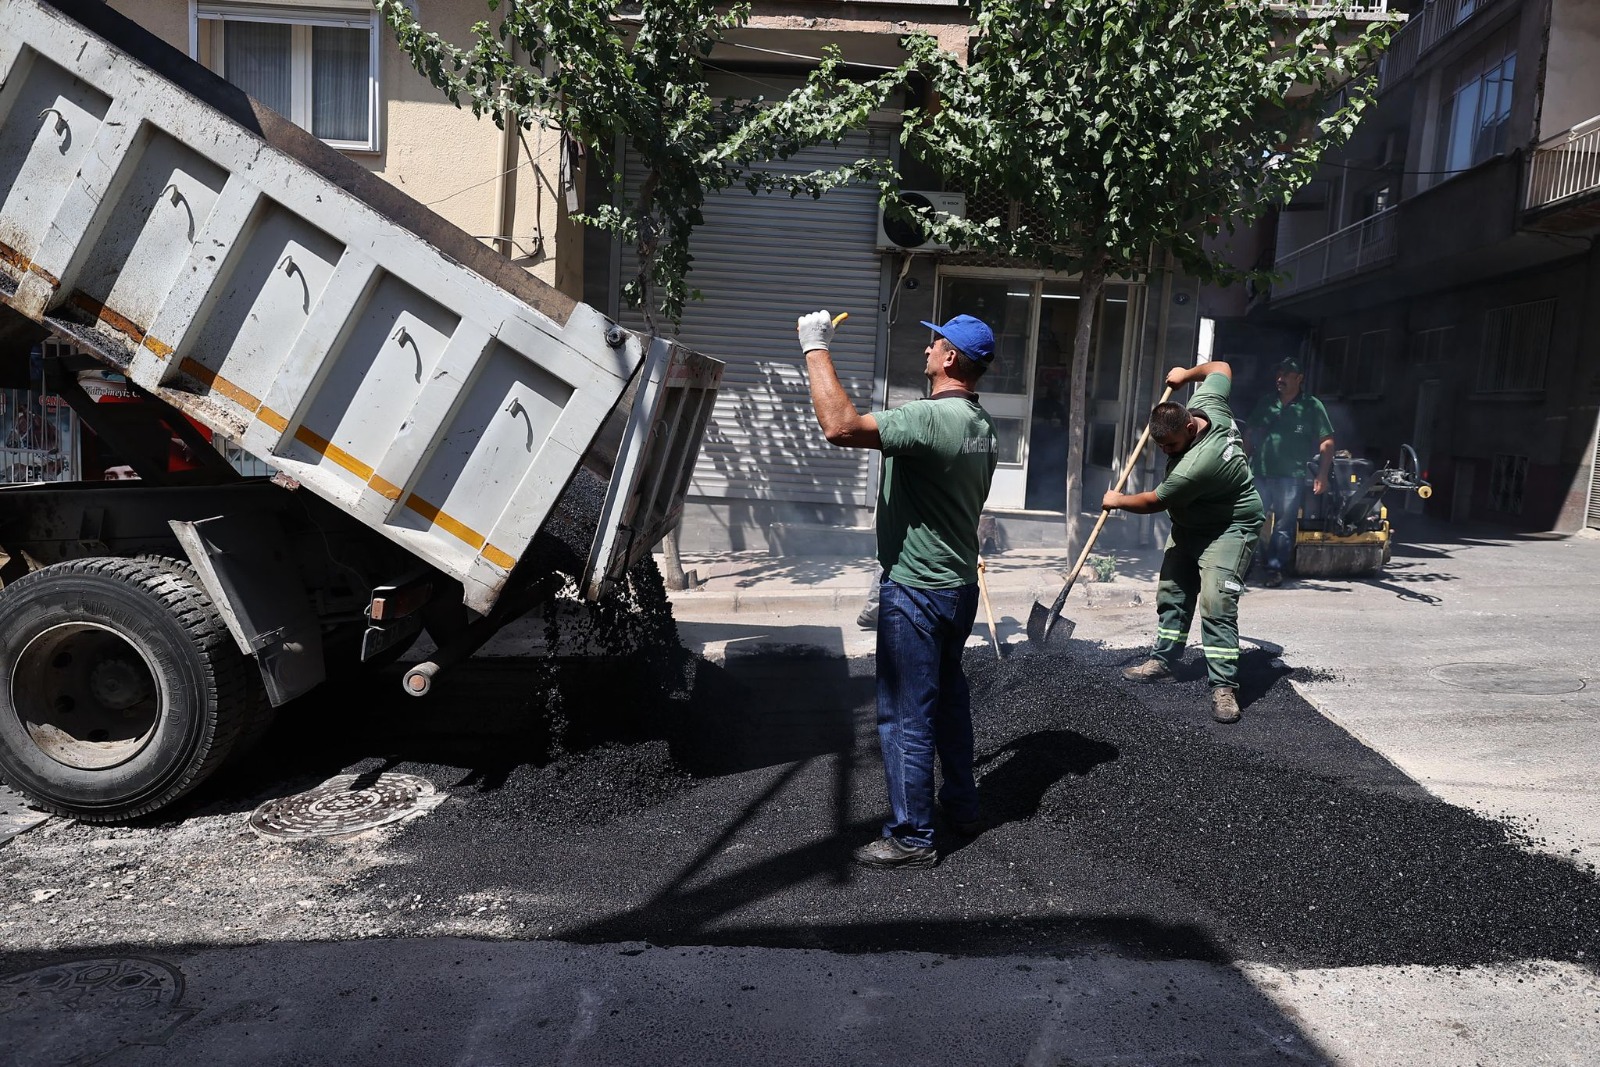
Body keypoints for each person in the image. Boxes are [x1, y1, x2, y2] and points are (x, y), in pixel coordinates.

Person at [798, 309, 998, 869]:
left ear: (951, 358)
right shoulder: (982, 425)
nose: (929, 347)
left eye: (936, 342)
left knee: (906, 713)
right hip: (955, 585)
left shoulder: (931, 420)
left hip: (918, 592)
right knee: (950, 702)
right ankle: (962, 805)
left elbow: (840, 427)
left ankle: (912, 835)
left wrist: (815, 348)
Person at [1101, 361, 1264, 725]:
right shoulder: (1208, 402)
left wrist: (1117, 501)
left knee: (1216, 601)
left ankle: (1223, 686)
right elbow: (1222, 367)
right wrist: (1186, 374)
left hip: (1229, 527)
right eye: (1159, 444)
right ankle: (1164, 661)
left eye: (1171, 444)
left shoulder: (1197, 465)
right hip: (1191, 522)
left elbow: (1154, 502)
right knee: (1173, 591)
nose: (1164, 451)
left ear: (1190, 428)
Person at [1244, 357, 1334, 587]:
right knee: (1251, 520)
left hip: (1290, 477)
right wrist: (1242, 465)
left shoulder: (1312, 406)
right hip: (1260, 473)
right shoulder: (1266, 402)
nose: (1280, 379)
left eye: (1286, 375)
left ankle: (1274, 569)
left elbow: (1327, 441)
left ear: (1299, 378)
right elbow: (1250, 434)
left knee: (1284, 526)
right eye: (1278, 374)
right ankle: (1244, 566)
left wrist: (1322, 475)